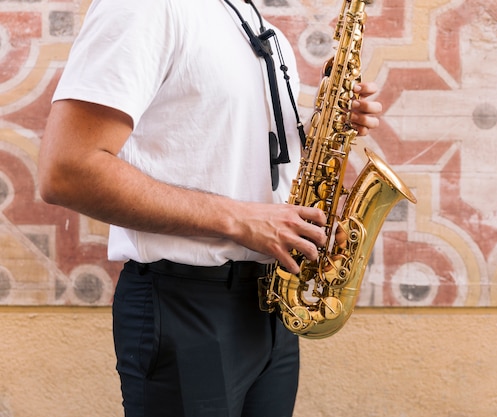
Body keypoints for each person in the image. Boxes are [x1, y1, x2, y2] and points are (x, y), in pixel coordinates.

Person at [38, 0, 382, 416]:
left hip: (271, 306)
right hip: (187, 309)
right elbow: (67, 170)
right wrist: (240, 219)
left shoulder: (256, 24)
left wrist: (325, 121)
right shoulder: (143, 7)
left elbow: (223, 151)